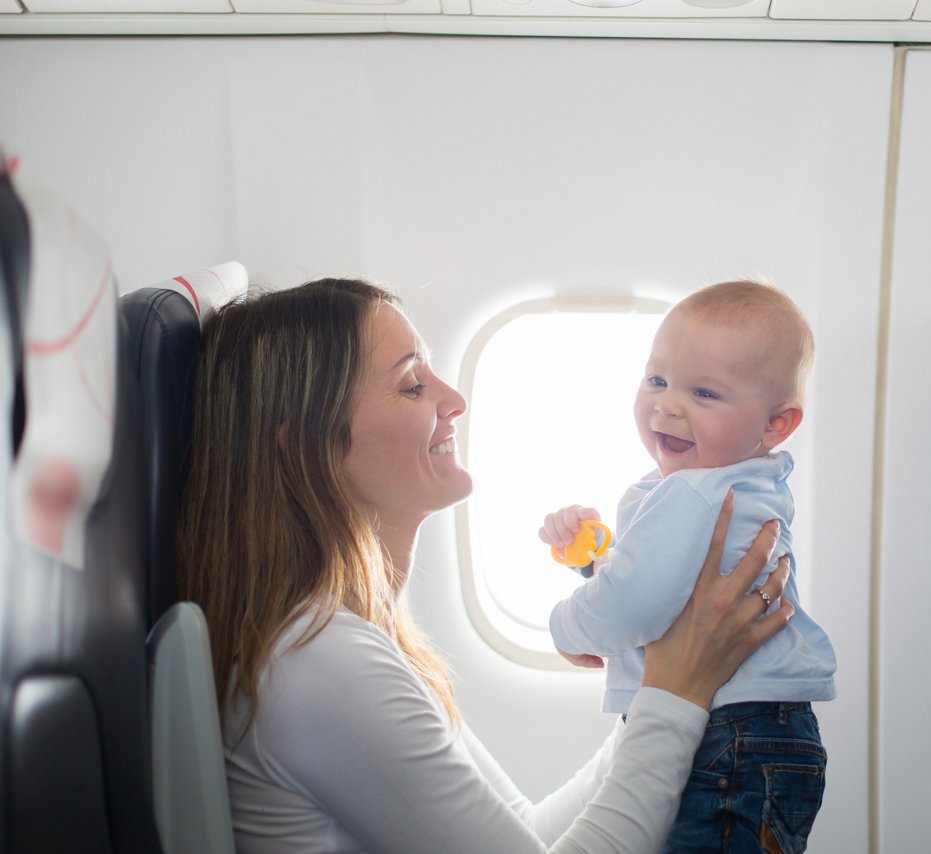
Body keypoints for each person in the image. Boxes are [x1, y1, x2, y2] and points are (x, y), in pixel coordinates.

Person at [177, 277, 796, 853]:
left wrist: (673, 677)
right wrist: (675, 690)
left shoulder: (360, 639)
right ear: (307, 441)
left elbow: (527, 832)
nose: (453, 399)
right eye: (412, 384)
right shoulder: (319, 661)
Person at [539, 279, 837, 853]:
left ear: (776, 424)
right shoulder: (737, 484)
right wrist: (594, 559)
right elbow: (666, 585)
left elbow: (637, 603)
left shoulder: (694, 495)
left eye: (704, 393)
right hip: (761, 735)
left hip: (726, 737)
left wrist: (566, 626)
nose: (667, 404)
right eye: (657, 380)